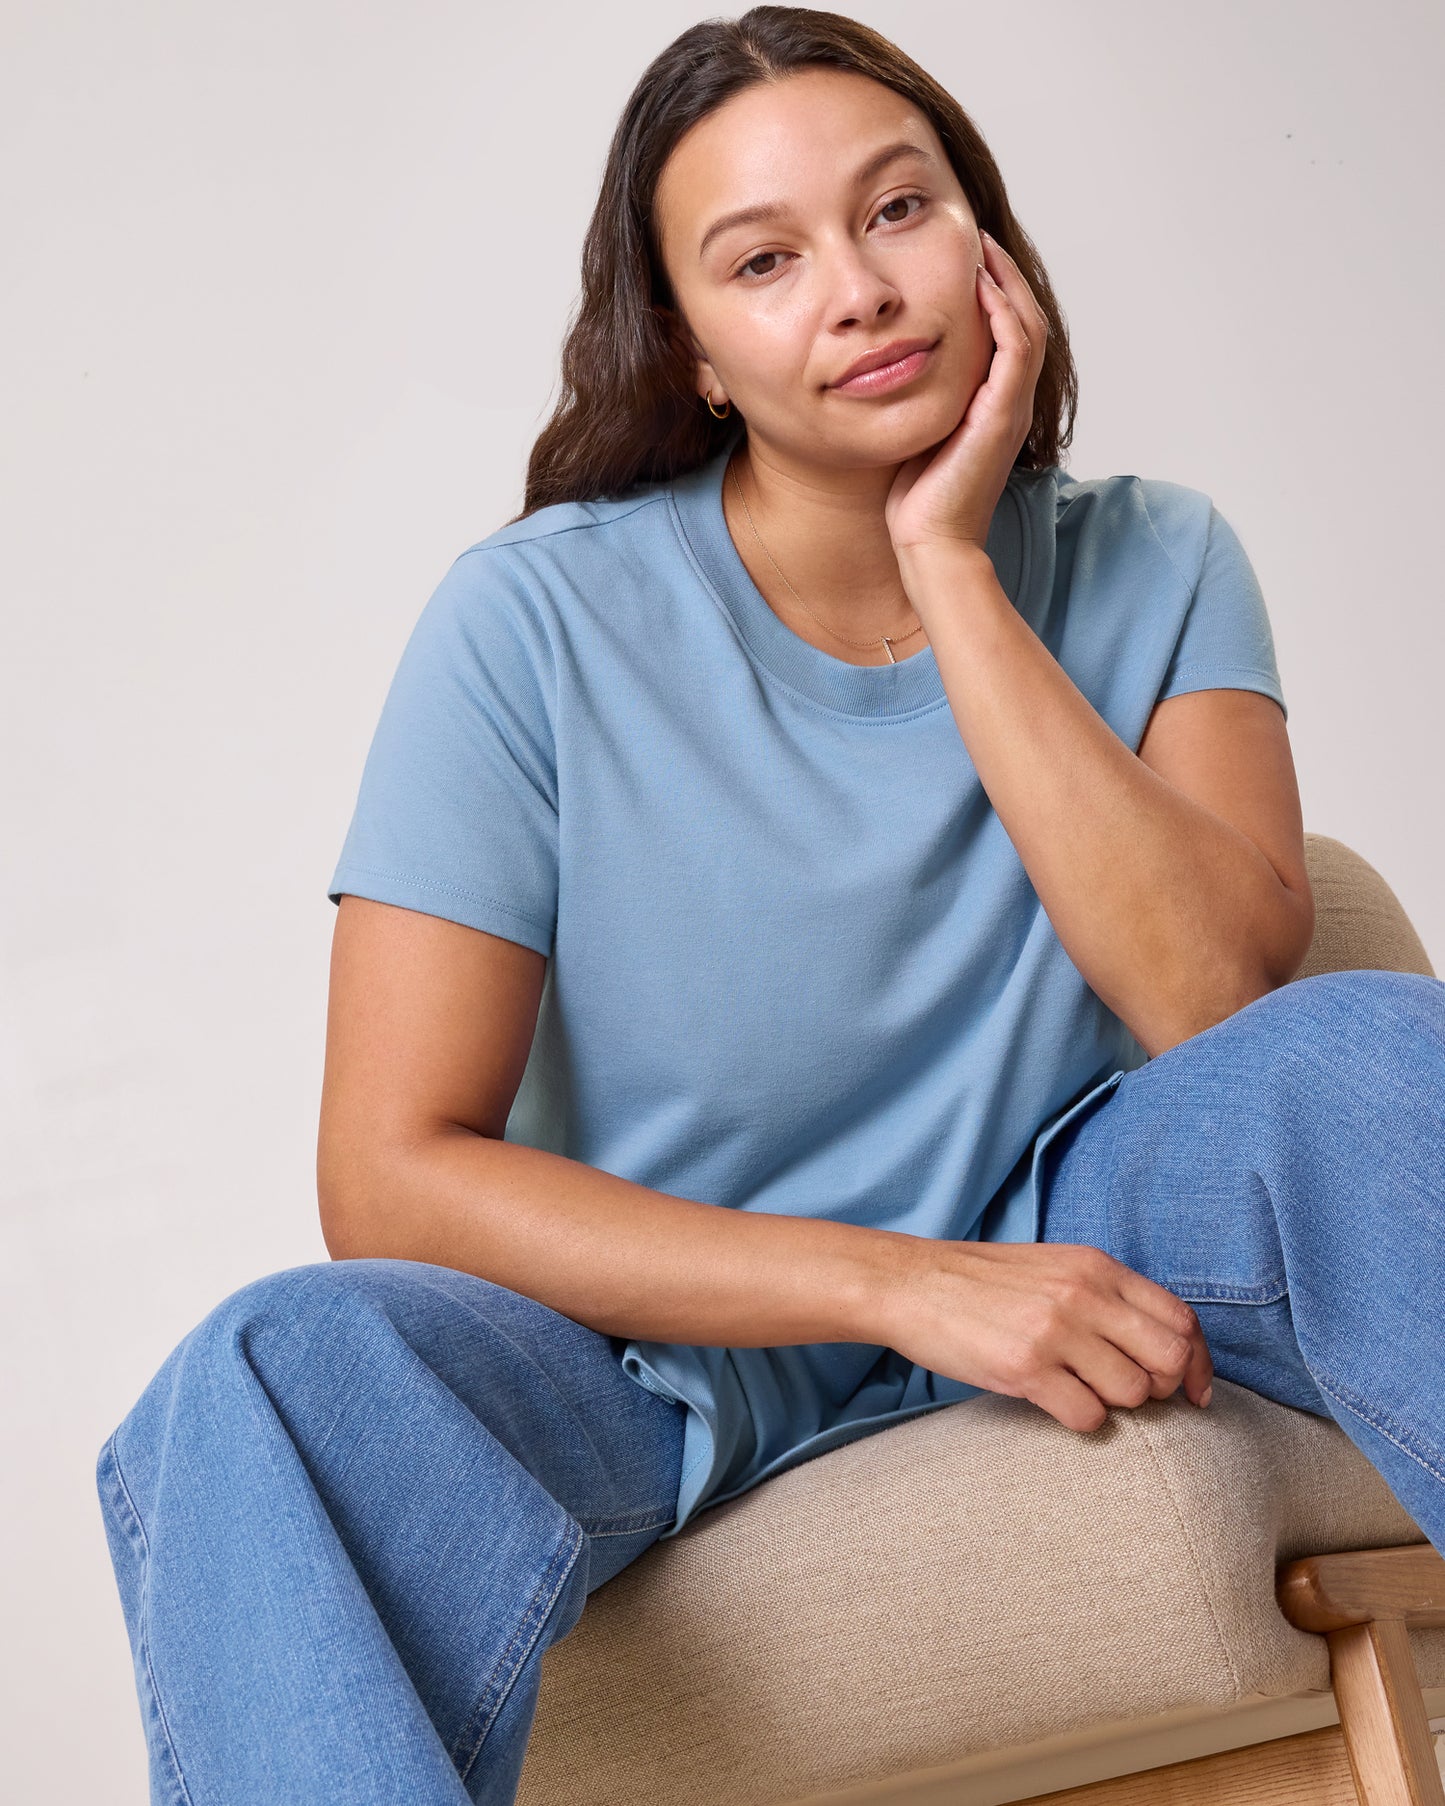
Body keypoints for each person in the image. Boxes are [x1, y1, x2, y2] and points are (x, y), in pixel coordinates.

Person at [95, 8, 1445, 1803]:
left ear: (989, 246)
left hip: (1087, 1221)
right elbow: (390, 1174)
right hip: (644, 1356)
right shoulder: (529, 630)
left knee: (1363, 1051)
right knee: (258, 1375)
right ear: (697, 354)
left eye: (898, 211)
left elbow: (1215, 999)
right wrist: (900, 1284)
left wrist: (949, 566)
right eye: (763, 259)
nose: (860, 290)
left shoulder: (1156, 557)